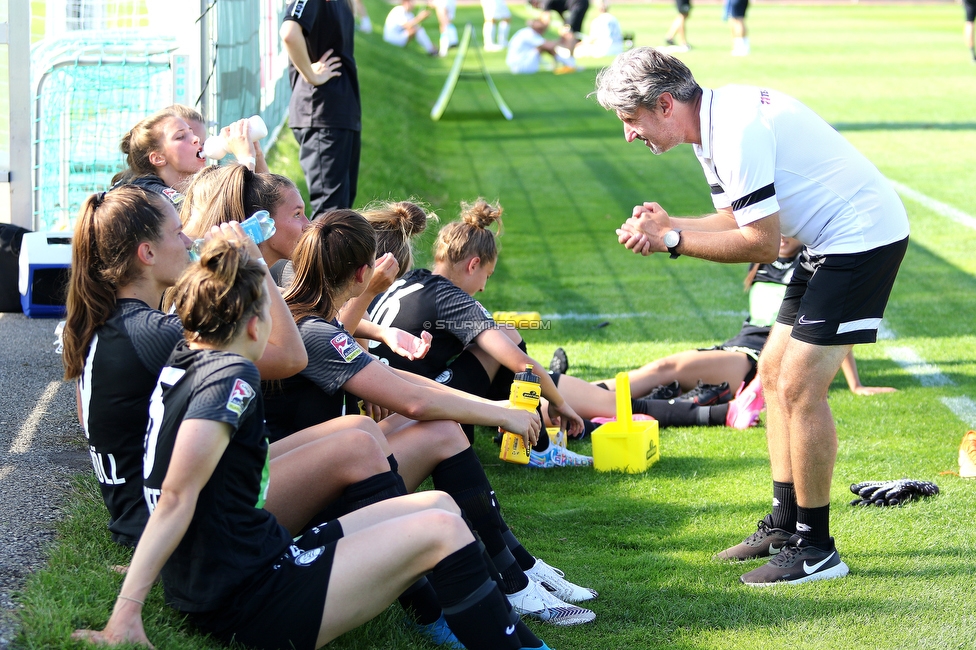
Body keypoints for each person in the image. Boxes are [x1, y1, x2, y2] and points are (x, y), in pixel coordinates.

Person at [70, 236, 553, 650]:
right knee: (442, 532)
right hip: (248, 600)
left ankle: (483, 622)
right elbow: (175, 494)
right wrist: (125, 614)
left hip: (249, 563)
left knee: (440, 506)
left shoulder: (187, 357)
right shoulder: (233, 376)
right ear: (256, 325)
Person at [594, 47, 910, 585]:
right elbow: (731, 218)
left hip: (861, 239)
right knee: (769, 375)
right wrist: (672, 224)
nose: (629, 134)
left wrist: (671, 239)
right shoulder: (712, 122)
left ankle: (817, 549)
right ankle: (786, 525)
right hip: (827, 241)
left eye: (630, 120)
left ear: (665, 104)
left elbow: (760, 242)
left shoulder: (735, 130)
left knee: (800, 386)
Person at [265, 210, 598, 627]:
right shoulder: (318, 329)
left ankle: (516, 564)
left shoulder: (309, 312)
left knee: (435, 426)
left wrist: (501, 411)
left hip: (304, 476)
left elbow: (398, 380)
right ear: (364, 272)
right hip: (298, 499)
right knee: (435, 426)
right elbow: (415, 400)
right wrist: (503, 413)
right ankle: (507, 579)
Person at [545, 238, 896, 433]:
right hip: (738, 346)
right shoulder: (762, 257)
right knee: (659, 384)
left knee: (668, 368)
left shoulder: (815, 262)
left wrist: (854, 384)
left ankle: (554, 391)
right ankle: (554, 399)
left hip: (757, 361)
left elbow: (829, 327)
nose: (785, 232)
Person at [367, 199, 587, 467]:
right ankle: (540, 449)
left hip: (371, 397)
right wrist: (559, 402)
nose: (483, 288)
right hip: (401, 410)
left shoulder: (409, 279)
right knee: (503, 342)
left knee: (498, 337)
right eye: (488, 275)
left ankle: (517, 430)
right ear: (473, 265)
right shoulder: (450, 297)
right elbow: (521, 363)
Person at [281, 0, 361, 215]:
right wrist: (311, 74)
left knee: (341, 211)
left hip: (341, 114)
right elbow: (289, 32)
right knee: (330, 215)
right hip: (322, 114)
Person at [506, 19, 577, 74]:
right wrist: (562, 39)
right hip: (520, 66)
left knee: (542, 47)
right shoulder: (529, 33)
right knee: (541, 47)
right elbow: (548, 46)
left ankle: (568, 64)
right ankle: (569, 64)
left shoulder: (526, 32)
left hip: (518, 64)